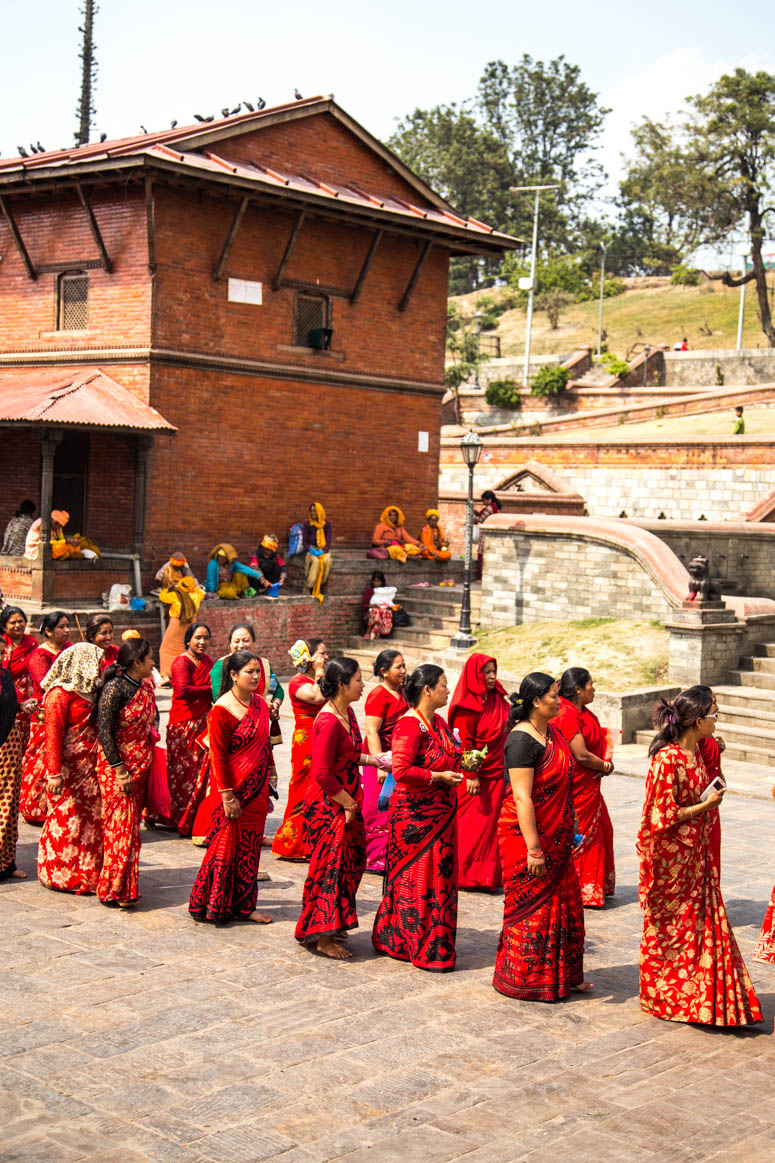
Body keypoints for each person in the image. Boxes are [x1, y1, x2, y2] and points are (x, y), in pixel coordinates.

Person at [636, 689, 761, 1026]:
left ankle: (699, 996)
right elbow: (658, 816)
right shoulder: (668, 759)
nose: (716, 722)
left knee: (699, 927)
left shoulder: (696, 755)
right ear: (696, 720)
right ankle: (665, 994)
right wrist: (704, 807)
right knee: (675, 929)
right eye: (714, 716)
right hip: (672, 863)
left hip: (697, 857)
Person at [493, 673, 589, 1001]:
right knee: (534, 910)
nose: (558, 700)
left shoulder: (552, 734)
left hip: (557, 837)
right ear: (536, 701)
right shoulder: (521, 740)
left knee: (567, 906)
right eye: (552, 696)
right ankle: (526, 977)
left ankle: (564, 973)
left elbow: (564, 785)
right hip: (526, 838)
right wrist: (534, 849)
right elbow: (522, 798)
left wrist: (572, 828)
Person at [372, 664, 464, 972]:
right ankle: (410, 939)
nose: (447, 691)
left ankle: (433, 940)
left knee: (439, 878)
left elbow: (450, 754)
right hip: (415, 820)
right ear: (427, 690)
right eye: (443, 685)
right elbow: (401, 770)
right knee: (418, 879)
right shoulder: (409, 725)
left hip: (442, 815)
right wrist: (438, 776)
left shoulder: (437, 722)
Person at [189, 650, 279, 924]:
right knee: (225, 847)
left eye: (257, 672)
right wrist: (228, 796)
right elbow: (217, 755)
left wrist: (272, 773)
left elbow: (265, 743)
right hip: (234, 792)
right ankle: (212, 903)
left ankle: (244, 906)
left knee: (250, 850)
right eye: (249, 672)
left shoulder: (261, 705)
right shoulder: (222, 710)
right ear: (233, 675)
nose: (255, 676)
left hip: (258, 790)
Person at [295, 657, 376, 959]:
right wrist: (348, 803)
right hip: (329, 805)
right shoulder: (328, 720)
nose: (362, 685)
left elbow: (351, 754)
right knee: (329, 868)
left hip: (346, 801)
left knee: (350, 864)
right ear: (342, 684)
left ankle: (332, 922)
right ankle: (321, 936)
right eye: (357, 680)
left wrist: (376, 760)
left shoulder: (347, 713)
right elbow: (322, 773)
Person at [94, 637, 158, 908]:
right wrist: (120, 770)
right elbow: (104, 732)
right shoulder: (114, 689)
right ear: (136, 662)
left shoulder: (144, 686)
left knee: (132, 829)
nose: (154, 663)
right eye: (150, 658)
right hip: (117, 768)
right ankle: (113, 888)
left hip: (140, 765)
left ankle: (127, 886)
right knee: (119, 828)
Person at [37, 643, 103, 895]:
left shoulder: (91, 691)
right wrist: (53, 773)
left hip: (91, 767)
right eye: (94, 662)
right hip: (69, 771)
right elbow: (52, 735)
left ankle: (88, 873)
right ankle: (60, 873)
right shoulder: (59, 695)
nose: (97, 668)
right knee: (67, 819)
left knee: (90, 822)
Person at [553, 667, 615, 908]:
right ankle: (581, 886)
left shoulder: (584, 712)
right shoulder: (567, 715)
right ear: (578, 689)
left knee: (602, 831)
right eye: (591, 683)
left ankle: (596, 883)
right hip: (578, 783)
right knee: (583, 836)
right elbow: (580, 754)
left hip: (591, 782)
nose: (594, 688)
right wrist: (605, 765)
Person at [448, 653, 510, 892]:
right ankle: (466, 874)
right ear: (475, 674)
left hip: (497, 771)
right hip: (476, 776)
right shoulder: (467, 706)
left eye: (494, 671)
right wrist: (471, 775)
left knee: (492, 827)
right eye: (487, 672)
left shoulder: (497, 699)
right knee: (472, 827)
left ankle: (487, 875)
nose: (492, 677)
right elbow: (466, 742)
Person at [149, 623, 213, 834]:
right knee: (179, 772)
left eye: (205, 638)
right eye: (197, 638)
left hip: (203, 721)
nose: (202, 642)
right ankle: (164, 815)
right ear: (188, 640)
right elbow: (184, 690)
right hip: (183, 723)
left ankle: (192, 815)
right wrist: (210, 689)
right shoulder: (181, 663)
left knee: (198, 772)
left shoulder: (208, 662)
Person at [272, 639, 328, 860]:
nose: (325, 657)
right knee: (303, 787)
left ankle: (315, 839)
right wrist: (321, 672)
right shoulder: (298, 682)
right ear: (309, 657)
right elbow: (317, 696)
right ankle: (293, 843)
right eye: (321, 654)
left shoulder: (316, 679)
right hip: (306, 741)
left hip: (322, 736)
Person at [20, 611, 72, 824]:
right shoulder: (40, 655)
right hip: (45, 711)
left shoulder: (70, 649)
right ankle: (36, 807)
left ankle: (58, 804)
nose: (66, 630)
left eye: (67, 626)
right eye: (61, 627)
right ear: (48, 631)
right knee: (42, 759)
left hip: (67, 709)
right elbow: (43, 683)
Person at [362, 649, 407, 873]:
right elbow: (372, 731)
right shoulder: (378, 696)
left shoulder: (404, 693)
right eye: (398, 667)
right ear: (384, 671)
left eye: (403, 666)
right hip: (379, 760)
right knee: (376, 807)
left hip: (399, 757)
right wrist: (379, 764)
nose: (403, 671)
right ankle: (375, 858)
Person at [0, 637, 36, 880]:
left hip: (8, 744)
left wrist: (21, 707)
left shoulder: (3, 676)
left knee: (9, 801)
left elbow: (6, 705)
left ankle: (5, 862)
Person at [158, 566, 205, 681]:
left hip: (177, 622)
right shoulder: (197, 595)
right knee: (186, 649)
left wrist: (169, 588)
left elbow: (162, 596)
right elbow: (202, 592)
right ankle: (183, 674)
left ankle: (166, 676)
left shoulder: (176, 595)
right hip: (191, 623)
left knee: (165, 649)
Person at [0, 605, 37, 748]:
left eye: (21, 621)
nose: (18, 625)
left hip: (26, 698)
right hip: (5, 694)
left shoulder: (32, 644)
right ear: (4, 627)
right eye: (13, 622)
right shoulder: (2, 645)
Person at [303, 502, 332, 602]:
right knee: (315, 562)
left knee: (326, 561)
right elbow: (304, 542)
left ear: (319, 511)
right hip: (311, 550)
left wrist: (323, 551)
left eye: (314, 511)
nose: (313, 513)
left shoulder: (327, 525)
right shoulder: (307, 524)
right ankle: (309, 586)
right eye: (311, 511)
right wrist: (311, 549)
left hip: (323, 550)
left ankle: (321, 584)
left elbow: (328, 542)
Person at [361, 570, 396, 640]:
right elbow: (363, 605)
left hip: (383, 610)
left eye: (378, 581)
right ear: (372, 581)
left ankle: (376, 632)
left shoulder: (385, 591)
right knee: (377, 612)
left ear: (382, 582)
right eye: (375, 581)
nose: (376, 583)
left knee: (384, 612)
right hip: (370, 612)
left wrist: (386, 606)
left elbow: (389, 601)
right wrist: (372, 605)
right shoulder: (369, 591)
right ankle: (369, 632)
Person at [474, 490, 501, 579]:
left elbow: (481, 520)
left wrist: (472, 515)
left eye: (484, 501)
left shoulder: (489, 508)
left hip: (486, 535)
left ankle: (480, 576)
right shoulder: (495, 507)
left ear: (489, 499)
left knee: (482, 555)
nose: (483, 503)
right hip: (493, 535)